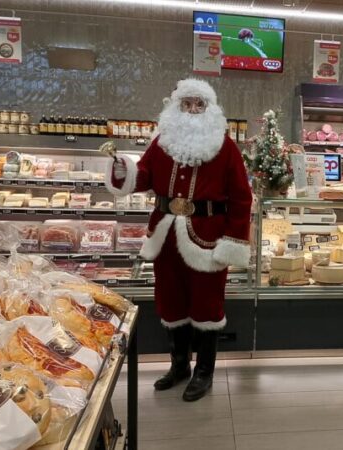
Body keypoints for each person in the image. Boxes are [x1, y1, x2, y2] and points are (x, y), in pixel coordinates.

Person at [106, 78, 252, 402]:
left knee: (207, 306)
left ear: (210, 109)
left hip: (208, 240)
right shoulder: (162, 142)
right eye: (186, 104)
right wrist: (124, 170)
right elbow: (144, 176)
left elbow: (242, 198)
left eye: (199, 104)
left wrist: (233, 241)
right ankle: (180, 365)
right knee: (171, 302)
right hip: (166, 237)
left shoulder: (225, 147)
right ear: (176, 107)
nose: (192, 110)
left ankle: (204, 372)